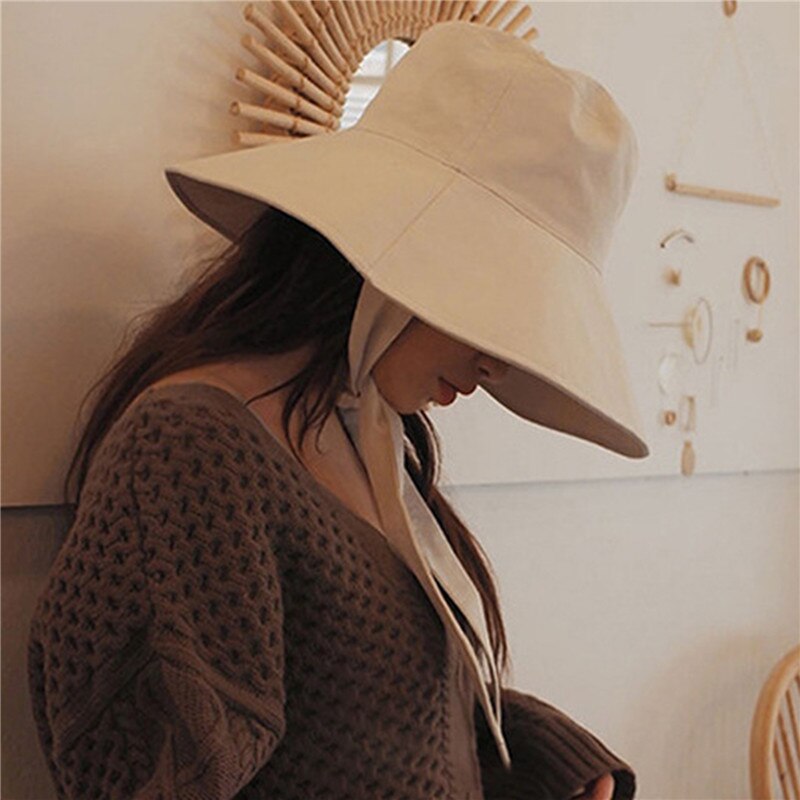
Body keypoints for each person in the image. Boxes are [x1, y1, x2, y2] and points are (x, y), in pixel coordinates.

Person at [27, 20, 648, 800]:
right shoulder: (193, 453)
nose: (500, 363)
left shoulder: (364, 432)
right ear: (403, 251)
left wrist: (549, 761)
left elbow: (365, 712)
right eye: (500, 305)